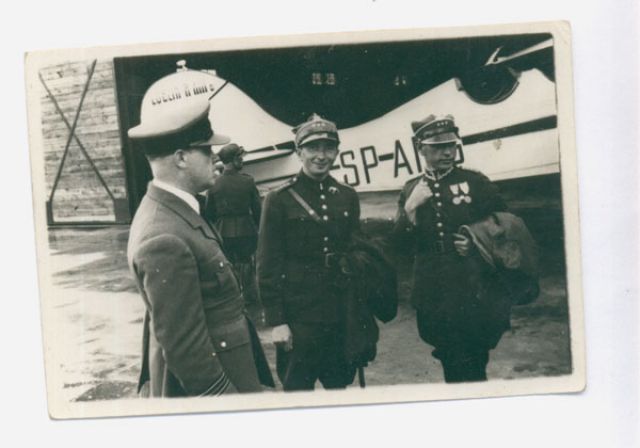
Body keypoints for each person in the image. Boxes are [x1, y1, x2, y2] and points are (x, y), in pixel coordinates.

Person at [127, 71, 270, 397]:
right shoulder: (164, 237)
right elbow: (184, 347)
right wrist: (224, 399)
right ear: (181, 158)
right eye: (206, 151)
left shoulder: (176, 209)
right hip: (219, 387)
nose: (215, 158)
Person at [393, 114, 511, 383]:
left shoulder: (475, 182)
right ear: (421, 149)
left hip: (472, 283)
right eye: (437, 147)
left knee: (474, 355)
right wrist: (410, 207)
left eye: (451, 145)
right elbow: (399, 246)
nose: (447, 152)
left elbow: (505, 224)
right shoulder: (411, 188)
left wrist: (476, 240)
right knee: (448, 353)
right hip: (433, 288)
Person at [257, 113, 362, 391]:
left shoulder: (347, 196)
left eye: (329, 148)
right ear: (299, 152)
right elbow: (267, 264)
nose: (321, 156)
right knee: (298, 391)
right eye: (313, 148)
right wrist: (277, 321)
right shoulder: (278, 199)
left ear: (337, 152)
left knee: (338, 388)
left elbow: (357, 251)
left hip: (339, 312)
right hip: (299, 315)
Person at [204, 143, 261, 304]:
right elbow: (258, 210)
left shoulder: (214, 184)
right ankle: (250, 298)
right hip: (247, 230)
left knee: (228, 264)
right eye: (240, 157)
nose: (242, 160)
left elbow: (209, 213)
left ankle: (234, 297)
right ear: (233, 160)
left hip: (223, 232)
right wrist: (259, 229)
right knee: (247, 263)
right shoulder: (247, 181)